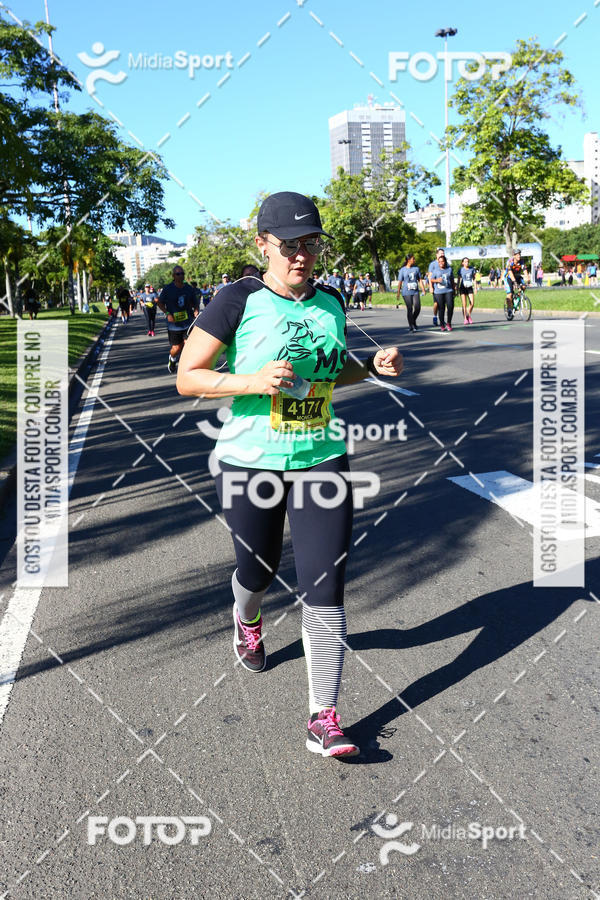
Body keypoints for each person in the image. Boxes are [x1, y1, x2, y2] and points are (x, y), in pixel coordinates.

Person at [176, 191, 403, 758]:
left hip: (320, 456)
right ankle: (246, 617)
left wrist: (369, 370)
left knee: (324, 585)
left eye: (311, 243)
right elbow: (189, 377)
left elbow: (327, 375)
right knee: (258, 570)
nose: (302, 255)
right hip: (250, 460)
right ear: (263, 245)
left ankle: (323, 716)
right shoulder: (236, 300)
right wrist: (253, 382)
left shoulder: (329, 302)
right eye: (289, 245)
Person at [157, 265, 199, 374]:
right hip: (174, 325)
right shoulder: (168, 289)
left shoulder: (188, 288)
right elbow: (160, 302)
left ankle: (186, 367)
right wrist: (167, 314)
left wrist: (196, 310)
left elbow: (195, 302)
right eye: (178, 274)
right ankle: (172, 359)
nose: (181, 276)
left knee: (188, 344)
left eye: (182, 274)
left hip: (188, 322)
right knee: (176, 348)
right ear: (173, 276)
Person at [396, 253, 426, 332]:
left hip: (415, 291)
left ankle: (413, 320)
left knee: (417, 307)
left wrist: (423, 289)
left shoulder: (416, 269)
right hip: (406, 292)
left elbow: (419, 280)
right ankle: (411, 325)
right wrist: (398, 292)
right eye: (413, 259)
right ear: (409, 260)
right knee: (410, 308)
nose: (414, 260)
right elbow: (400, 282)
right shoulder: (403, 270)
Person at [428, 250, 455, 332]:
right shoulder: (435, 270)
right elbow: (431, 279)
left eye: (442, 262)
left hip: (448, 290)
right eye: (439, 262)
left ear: (445, 262)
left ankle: (449, 323)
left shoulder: (449, 269)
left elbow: (452, 280)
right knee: (441, 308)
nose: (440, 263)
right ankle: (442, 324)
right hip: (439, 292)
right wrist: (437, 281)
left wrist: (454, 289)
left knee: (450, 306)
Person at [503, 250, 524, 319]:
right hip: (508, 277)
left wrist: (528, 279)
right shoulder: (510, 261)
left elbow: (525, 270)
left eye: (519, 254)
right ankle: (509, 309)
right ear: (514, 256)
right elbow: (510, 272)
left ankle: (516, 299)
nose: (519, 256)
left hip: (517, 276)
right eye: (517, 255)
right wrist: (514, 282)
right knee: (510, 294)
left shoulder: (521, 261)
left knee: (523, 286)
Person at [428, 248, 446, 325]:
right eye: (440, 253)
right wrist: (431, 287)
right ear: (437, 254)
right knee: (436, 303)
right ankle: (435, 316)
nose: (442, 255)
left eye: (443, 253)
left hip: (444, 287)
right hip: (436, 287)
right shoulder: (433, 264)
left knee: (443, 304)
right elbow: (430, 276)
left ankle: (441, 319)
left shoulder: (445, 263)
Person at [458, 256, 477, 325]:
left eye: (468, 261)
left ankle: (468, 315)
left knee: (472, 303)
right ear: (462, 263)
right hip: (463, 287)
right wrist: (457, 288)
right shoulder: (461, 270)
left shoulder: (472, 269)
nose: (467, 263)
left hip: (469, 287)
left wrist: (475, 288)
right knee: (464, 304)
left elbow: (474, 278)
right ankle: (465, 319)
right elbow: (458, 279)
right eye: (465, 262)